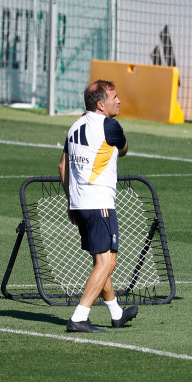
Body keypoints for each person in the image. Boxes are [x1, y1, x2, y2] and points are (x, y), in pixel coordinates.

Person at [59, 80, 138, 332]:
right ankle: (79, 317)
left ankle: (116, 314)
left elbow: (62, 166)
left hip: (80, 203)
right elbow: (123, 150)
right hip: (99, 203)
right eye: (114, 97)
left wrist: (71, 201)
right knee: (107, 263)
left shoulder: (74, 127)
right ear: (101, 104)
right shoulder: (109, 125)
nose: (119, 101)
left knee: (101, 260)